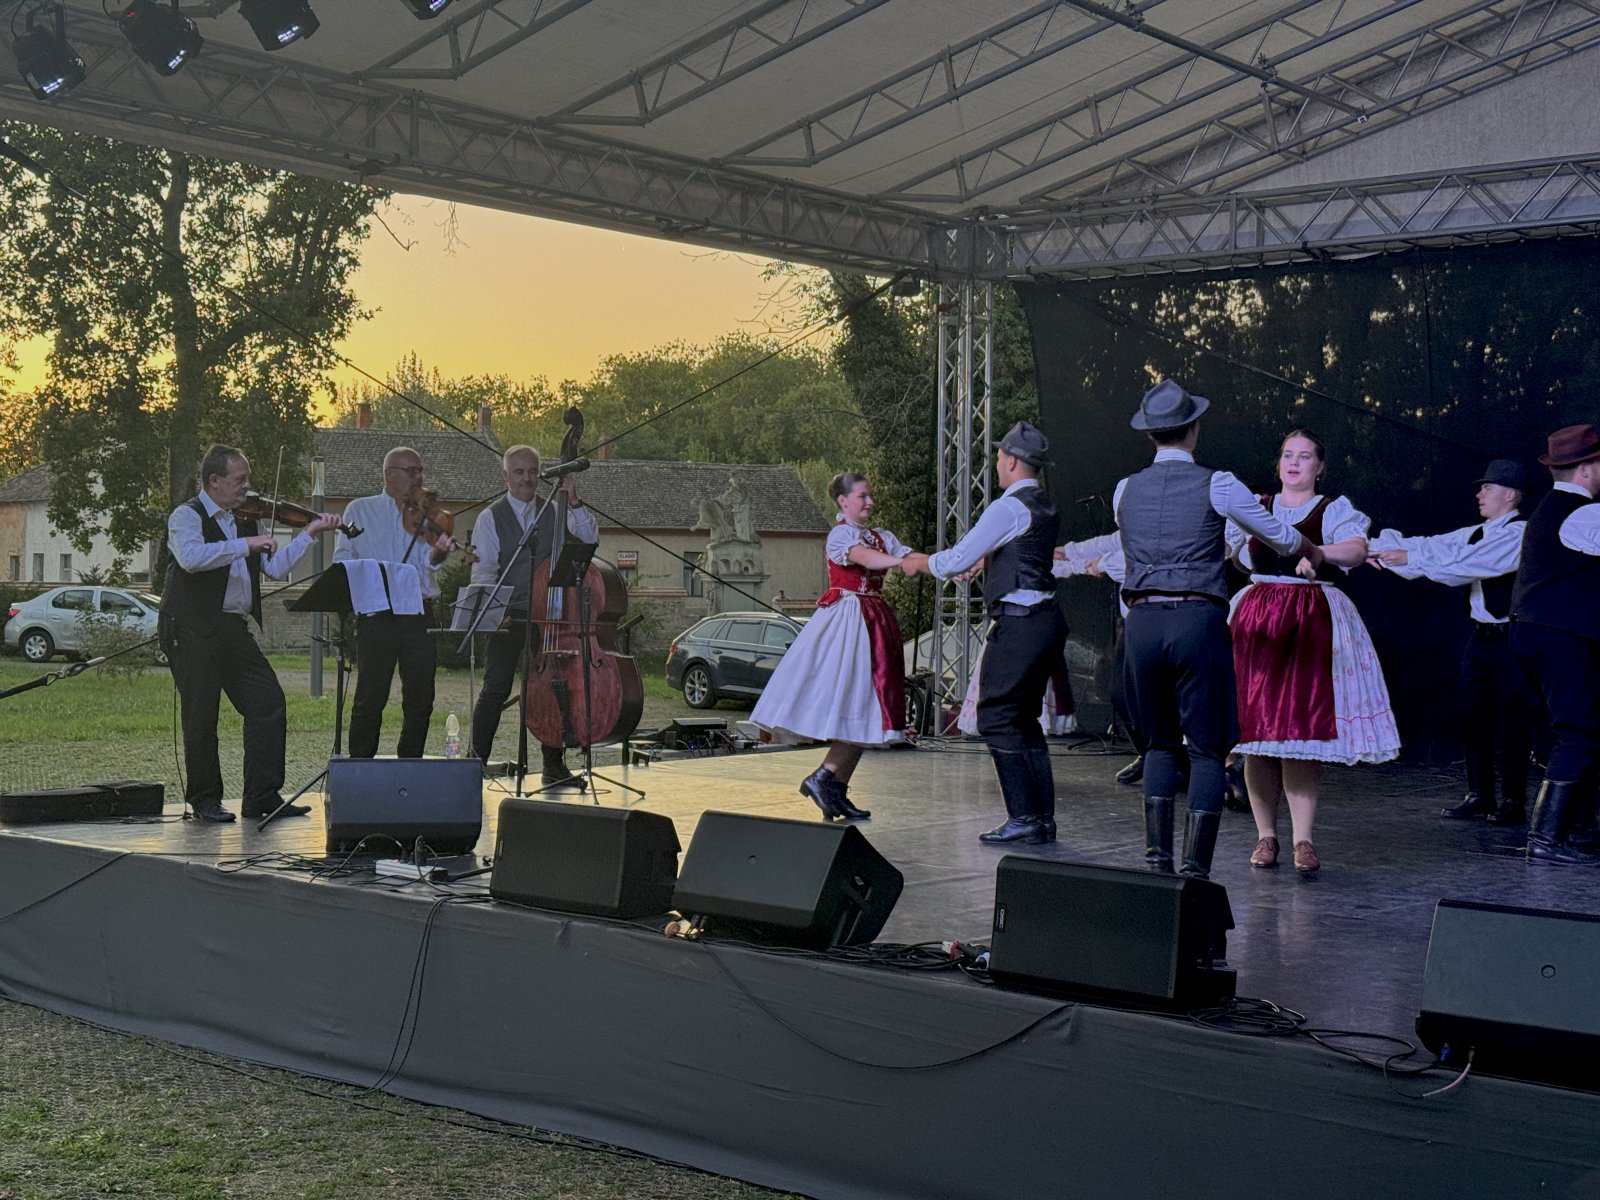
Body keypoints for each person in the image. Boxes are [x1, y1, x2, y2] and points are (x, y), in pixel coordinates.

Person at [1114, 381, 1319, 879]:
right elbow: (1279, 535)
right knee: (1207, 747)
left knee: (1159, 744)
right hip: (1196, 619)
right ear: (1194, 430)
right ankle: (1194, 871)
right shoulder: (1218, 484)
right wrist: (1308, 549)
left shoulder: (1125, 489)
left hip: (1142, 622)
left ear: (1150, 434)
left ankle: (1157, 862)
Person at [1229, 427, 1399, 873]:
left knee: (1300, 735)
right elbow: (1233, 552)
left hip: (1310, 620)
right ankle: (1266, 836)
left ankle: (1303, 839)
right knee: (1257, 735)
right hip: (1258, 620)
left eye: (1305, 457)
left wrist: (1317, 552)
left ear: (1319, 467)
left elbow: (1357, 550)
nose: (1294, 463)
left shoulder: (1331, 509)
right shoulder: (1256, 506)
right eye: (1288, 454)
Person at [901, 421, 1067, 845]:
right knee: (1023, 719)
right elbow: (1020, 552)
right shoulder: (1042, 504)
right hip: (1045, 621)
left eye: (999, 457)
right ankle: (1041, 819)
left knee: (996, 715)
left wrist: (919, 562)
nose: (996, 464)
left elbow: (957, 558)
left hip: (1021, 622)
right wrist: (989, 561)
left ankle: (1025, 816)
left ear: (1010, 461)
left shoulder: (1008, 508)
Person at [162, 444, 340, 822]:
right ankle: (205, 800)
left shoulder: (246, 518)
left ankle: (261, 797)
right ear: (215, 481)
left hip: (231, 627)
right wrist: (245, 545)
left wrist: (310, 532)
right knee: (201, 714)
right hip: (191, 627)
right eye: (240, 479)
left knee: (267, 702)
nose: (247, 487)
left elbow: (275, 568)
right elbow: (191, 559)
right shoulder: (186, 516)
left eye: (248, 479)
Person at [1369, 459, 1532, 823]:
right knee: (1473, 715)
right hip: (1482, 637)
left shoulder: (1519, 534)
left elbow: (1465, 566)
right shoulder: (1476, 532)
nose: (1479, 494)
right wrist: (1372, 547)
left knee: (1512, 718)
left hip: (1513, 637)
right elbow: (1435, 547)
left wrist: (1410, 557)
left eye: (1487, 488)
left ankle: (1513, 802)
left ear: (1510, 495)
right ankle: (1480, 795)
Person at [751, 473, 920, 820]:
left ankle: (834, 787)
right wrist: (900, 562)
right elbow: (866, 559)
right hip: (849, 621)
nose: (870, 502)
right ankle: (824, 777)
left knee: (868, 708)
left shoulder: (882, 536)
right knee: (857, 700)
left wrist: (953, 565)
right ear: (843, 501)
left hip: (874, 619)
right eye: (862, 496)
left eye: (870, 496)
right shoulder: (841, 535)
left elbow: (910, 558)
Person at [467, 445, 598, 786]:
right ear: (505, 475)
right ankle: (474, 763)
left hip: (551, 613)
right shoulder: (490, 517)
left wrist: (574, 501)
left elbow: (588, 539)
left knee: (554, 687)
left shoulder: (555, 508)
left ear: (540, 474)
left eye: (531, 472)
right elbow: (484, 573)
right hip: (510, 614)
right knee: (496, 687)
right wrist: (493, 613)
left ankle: (553, 766)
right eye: (518, 472)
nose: (526, 479)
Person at [1509, 424, 1600, 865]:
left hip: (1538, 632)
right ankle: (1545, 840)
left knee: (1581, 727)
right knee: (1578, 730)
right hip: (1559, 634)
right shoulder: (1582, 514)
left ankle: (1580, 831)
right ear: (1587, 468)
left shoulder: (1552, 511)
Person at [334, 446, 455, 759]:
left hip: (418, 612)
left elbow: (427, 563)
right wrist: (373, 580)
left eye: (420, 471)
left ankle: (410, 763)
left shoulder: (427, 515)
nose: (418, 477)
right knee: (370, 696)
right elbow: (343, 558)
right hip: (377, 613)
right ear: (389, 474)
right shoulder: (360, 509)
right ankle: (361, 766)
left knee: (420, 698)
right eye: (410, 471)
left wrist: (439, 553)